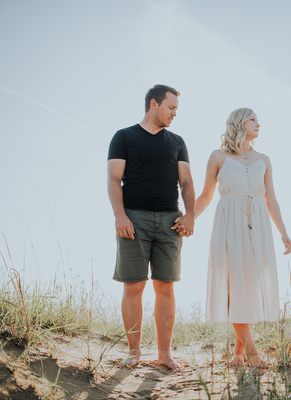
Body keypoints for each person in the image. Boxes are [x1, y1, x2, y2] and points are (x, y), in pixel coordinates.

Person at [189, 107, 291, 368]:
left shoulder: (264, 159)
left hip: (258, 226)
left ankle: (237, 353)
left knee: (249, 287)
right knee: (235, 287)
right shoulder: (218, 157)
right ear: (239, 123)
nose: (259, 123)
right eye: (253, 119)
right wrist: (189, 218)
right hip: (228, 224)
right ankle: (254, 354)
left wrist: (283, 232)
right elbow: (205, 196)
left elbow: (272, 199)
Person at [107, 84, 195, 370]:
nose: (174, 114)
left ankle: (165, 355)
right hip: (134, 218)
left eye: (176, 110)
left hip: (170, 220)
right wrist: (120, 216)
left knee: (166, 287)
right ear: (154, 104)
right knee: (134, 285)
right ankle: (134, 353)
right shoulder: (124, 137)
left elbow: (187, 182)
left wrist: (190, 214)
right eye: (171, 108)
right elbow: (113, 179)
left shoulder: (177, 141)